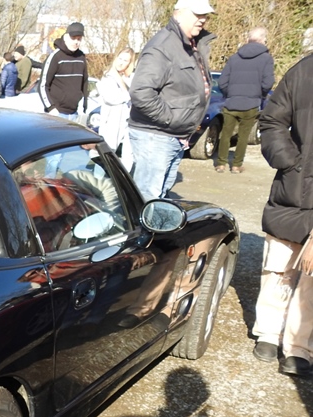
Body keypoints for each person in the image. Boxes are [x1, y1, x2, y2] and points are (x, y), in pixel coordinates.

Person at [251, 52, 313, 376]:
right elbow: (272, 119)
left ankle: (299, 346)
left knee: (312, 279)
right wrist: (290, 162)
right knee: (278, 266)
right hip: (294, 187)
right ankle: (268, 332)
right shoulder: (303, 72)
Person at [128, 0, 215, 200]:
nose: (203, 19)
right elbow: (141, 91)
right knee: (148, 198)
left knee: (160, 195)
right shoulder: (163, 46)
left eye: (205, 15)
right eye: (197, 14)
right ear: (179, 13)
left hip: (174, 135)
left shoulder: (190, 45)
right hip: (156, 135)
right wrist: (171, 119)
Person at [214, 27, 274, 174]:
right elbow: (268, 83)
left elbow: (222, 81)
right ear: (262, 40)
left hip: (231, 102)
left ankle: (221, 164)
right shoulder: (266, 58)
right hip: (251, 103)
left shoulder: (234, 58)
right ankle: (236, 165)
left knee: (226, 134)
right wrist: (260, 96)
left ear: (248, 39)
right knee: (243, 136)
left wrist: (230, 94)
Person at [38, 22, 88, 121]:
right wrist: (51, 108)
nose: (76, 42)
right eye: (73, 38)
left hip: (74, 113)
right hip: (56, 114)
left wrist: (84, 105)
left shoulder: (81, 58)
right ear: (65, 37)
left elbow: (85, 83)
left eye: (79, 39)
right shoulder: (55, 57)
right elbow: (43, 85)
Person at [96, 47, 135, 171]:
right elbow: (111, 98)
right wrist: (128, 95)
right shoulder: (108, 76)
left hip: (128, 121)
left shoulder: (130, 78)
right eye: (120, 58)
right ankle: (98, 180)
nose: (121, 63)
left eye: (125, 60)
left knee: (128, 154)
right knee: (106, 154)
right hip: (111, 122)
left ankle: (124, 180)